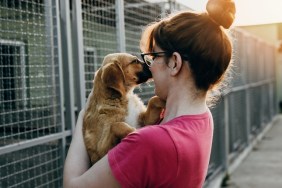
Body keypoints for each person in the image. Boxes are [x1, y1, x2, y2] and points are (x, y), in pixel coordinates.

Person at [63, 0, 236, 187]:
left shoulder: (148, 143)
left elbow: (72, 185)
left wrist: (86, 114)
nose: (150, 66)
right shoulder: (201, 118)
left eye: (153, 57)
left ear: (174, 63)